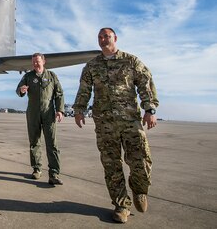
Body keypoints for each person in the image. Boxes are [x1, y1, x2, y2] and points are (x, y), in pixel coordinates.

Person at [73, 27, 158, 223]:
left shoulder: (130, 60)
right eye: (100, 37)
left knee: (141, 161)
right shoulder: (92, 66)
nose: (103, 40)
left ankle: (139, 190)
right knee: (111, 165)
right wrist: (79, 109)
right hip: (105, 123)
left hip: (130, 121)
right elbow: (84, 89)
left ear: (115, 38)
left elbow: (145, 83)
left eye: (107, 36)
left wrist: (150, 109)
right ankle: (121, 205)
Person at [16, 53, 65, 185]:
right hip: (33, 113)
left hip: (49, 113)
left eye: (38, 61)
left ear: (44, 61)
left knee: (52, 144)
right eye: (33, 62)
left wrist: (60, 110)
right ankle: (37, 169)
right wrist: (21, 90)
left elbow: (59, 93)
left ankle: (54, 173)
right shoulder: (28, 76)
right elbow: (18, 90)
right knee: (34, 142)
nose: (35, 64)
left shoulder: (52, 76)